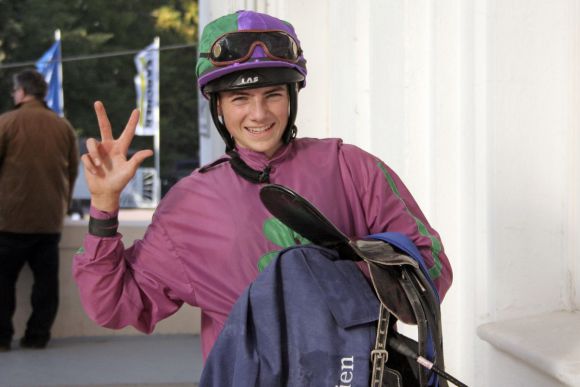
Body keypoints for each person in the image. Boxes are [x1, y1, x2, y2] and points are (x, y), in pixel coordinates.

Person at [73, 10, 453, 362]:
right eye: (240, 98)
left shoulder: (350, 167)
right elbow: (115, 305)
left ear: (291, 98)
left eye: (272, 94)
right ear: (218, 106)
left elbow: (432, 266)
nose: (259, 114)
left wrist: (335, 280)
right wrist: (104, 207)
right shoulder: (188, 204)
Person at [0, 69, 79, 351]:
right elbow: (73, 170)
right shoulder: (63, 127)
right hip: (49, 221)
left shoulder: (6, 122)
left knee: (3, 284)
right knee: (46, 286)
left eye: (14, 91)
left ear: (21, 92)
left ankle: (2, 338)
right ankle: (37, 337)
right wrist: (62, 206)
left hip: (10, 221)